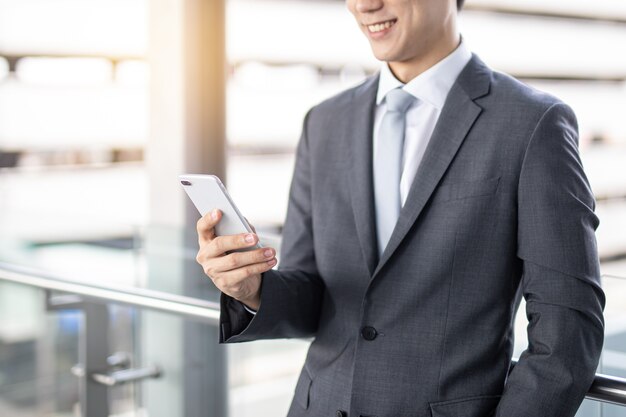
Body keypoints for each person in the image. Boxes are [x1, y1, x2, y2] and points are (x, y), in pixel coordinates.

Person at [195, 0, 606, 416]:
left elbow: (568, 330)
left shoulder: (532, 123)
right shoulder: (324, 123)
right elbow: (313, 293)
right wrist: (252, 290)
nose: (364, 5)